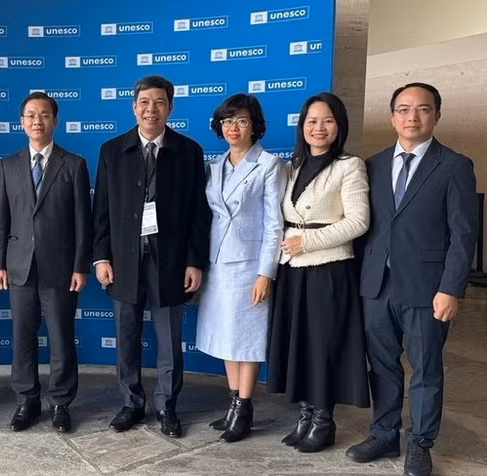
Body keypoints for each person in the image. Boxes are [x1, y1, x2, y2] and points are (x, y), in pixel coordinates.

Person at [346, 83, 477, 476]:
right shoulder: (372, 164)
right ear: (392, 117)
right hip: (376, 287)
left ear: (436, 115)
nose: (412, 117)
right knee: (382, 366)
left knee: (426, 369)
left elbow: (464, 234)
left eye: (422, 109)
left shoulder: (454, 165)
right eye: (403, 110)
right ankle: (385, 434)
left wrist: (451, 288)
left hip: (427, 289)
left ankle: (420, 443)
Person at [92, 75, 211, 438]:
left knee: (169, 340)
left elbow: (197, 213)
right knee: (126, 335)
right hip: (124, 260)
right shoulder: (112, 151)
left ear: (170, 108)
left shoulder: (188, 151)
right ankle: (131, 403)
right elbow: (101, 211)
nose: (151, 109)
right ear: (133, 106)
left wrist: (194, 260)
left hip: (171, 261)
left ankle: (167, 406)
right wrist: (101, 258)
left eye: (159, 102)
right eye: (144, 101)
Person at [267, 92, 370, 453]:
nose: (318, 128)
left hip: (329, 270)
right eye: (312, 121)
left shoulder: (349, 165)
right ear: (302, 126)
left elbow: (359, 221)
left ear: (339, 125)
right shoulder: (292, 167)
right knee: (300, 346)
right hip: (293, 273)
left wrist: (307, 243)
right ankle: (306, 415)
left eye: (327, 120)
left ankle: (324, 421)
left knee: (323, 346)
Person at [0, 92, 92, 433]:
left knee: (62, 338)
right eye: (31, 115)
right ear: (21, 122)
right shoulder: (7, 165)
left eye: (45, 115)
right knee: (22, 337)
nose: (38, 121)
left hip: (61, 269)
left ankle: (61, 403)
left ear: (55, 120)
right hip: (19, 267)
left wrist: (81, 266)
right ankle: (26, 401)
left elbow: (83, 221)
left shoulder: (74, 164)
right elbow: (1, 220)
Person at [196, 94, 286, 443]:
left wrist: (266, 273)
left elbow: (274, 225)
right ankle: (232, 403)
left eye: (242, 121)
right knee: (226, 339)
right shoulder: (214, 165)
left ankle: (245, 409)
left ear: (255, 126)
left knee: (246, 341)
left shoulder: (269, 164)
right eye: (228, 121)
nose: (234, 128)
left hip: (249, 265)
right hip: (217, 263)